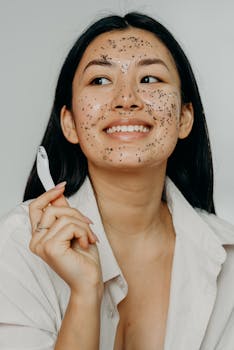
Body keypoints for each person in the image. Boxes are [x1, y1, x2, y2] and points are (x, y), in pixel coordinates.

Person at [0, 12, 234, 350]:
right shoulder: (17, 245)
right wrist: (84, 294)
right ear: (69, 124)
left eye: (151, 79)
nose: (127, 99)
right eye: (100, 80)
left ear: (185, 119)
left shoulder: (229, 259)